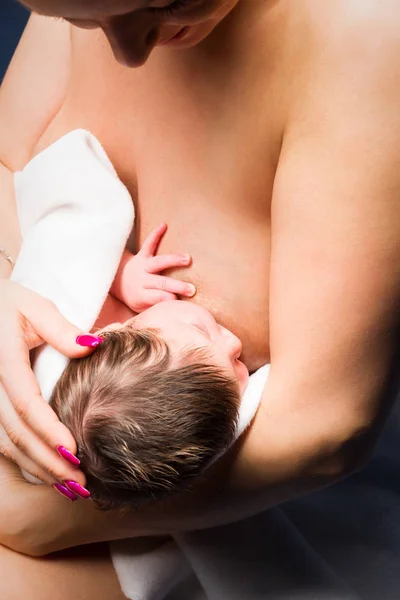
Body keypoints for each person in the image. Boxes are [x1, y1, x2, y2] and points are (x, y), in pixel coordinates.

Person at [0, 1, 400, 598]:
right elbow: (6, 160)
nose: (128, 54)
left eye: (161, 4)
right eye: (83, 20)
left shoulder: (368, 46)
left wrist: (42, 518)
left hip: (199, 514)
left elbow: (328, 429)